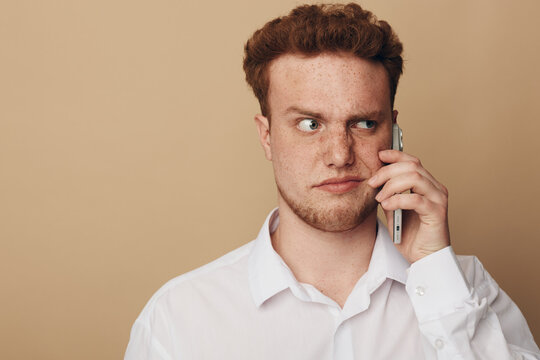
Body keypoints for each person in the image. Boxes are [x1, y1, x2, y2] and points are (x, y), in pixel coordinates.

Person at [125, 3, 539, 359]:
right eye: (309, 124)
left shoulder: (463, 291)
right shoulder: (179, 318)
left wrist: (434, 269)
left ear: (393, 133)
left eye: (362, 122)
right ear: (266, 136)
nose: (339, 155)